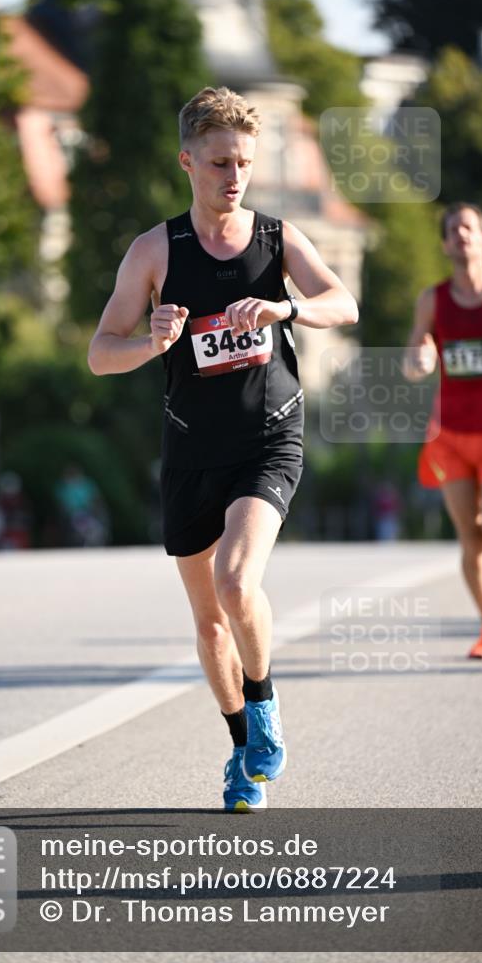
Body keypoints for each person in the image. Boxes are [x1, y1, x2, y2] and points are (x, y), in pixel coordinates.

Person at [88, 86, 358, 810]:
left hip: (269, 438)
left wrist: (286, 307)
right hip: (189, 451)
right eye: (217, 163)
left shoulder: (274, 239)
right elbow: (98, 353)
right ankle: (242, 746)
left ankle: (264, 707)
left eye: (242, 162)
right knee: (208, 618)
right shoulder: (155, 250)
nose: (232, 176)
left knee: (239, 582)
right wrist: (152, 342)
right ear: (187, 162)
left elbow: (344, 302)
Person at [404, 203, 482, 663]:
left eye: (469, 227)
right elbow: (413, 357)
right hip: (450, 435)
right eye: (453, 230)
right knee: (470, 539)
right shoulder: (435, 299)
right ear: (447, 244)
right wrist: (420, 360)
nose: (461, 235)